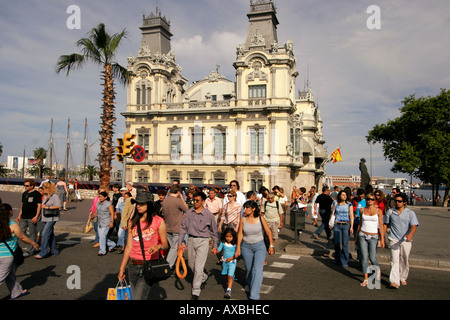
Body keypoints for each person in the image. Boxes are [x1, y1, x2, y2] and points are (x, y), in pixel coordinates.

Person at [118, 190, 168, 300]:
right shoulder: (132, 221)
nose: (138, 206)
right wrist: (122, 268)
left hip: (148, 266)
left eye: (142, 204)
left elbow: (166, 244)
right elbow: (128, 247)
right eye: (137, 203)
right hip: (132, 265)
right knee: (134, 296)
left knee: (137, 298)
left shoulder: (158, 221)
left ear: (149, 205)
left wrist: (159, 247)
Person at [178, 192, 219, 300]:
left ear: (203, 202)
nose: (195, 202)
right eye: (194, 200)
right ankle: (203, 277)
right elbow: (183, 228)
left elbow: (214, 232)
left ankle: (196, 291)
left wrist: (215, 245)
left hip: (203, 241)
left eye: (197, 200)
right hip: (191, 240)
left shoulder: (208, 214)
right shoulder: (189, 213)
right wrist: (180, 243)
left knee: (198, 267)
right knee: (192, 266)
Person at [235, 200, 274, 300]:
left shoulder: (260, 218)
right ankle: (249, 282)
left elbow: (268, 231)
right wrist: (238, 247)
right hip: (246, 247)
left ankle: (254, 296)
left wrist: (271, 245)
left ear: (253, 209)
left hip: (259, 246)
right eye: (245, 207)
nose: (246, 209)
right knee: (249, 269)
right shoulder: (243, 219)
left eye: (248, 207)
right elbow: (240, 234)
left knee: (257, 269)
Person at [1, 204, 39, 299]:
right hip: (7, 256)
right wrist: (34, 244)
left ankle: (16, 292)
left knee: (10, 274)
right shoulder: (12, 225)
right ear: (10, 212)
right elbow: (22, 237)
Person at [384, 193, 419, 289]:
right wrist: (382, 237)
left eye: (399, 201)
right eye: (396, 201)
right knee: (394, 260)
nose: (397, 203)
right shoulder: (391, 212)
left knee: (404, 259)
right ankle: (394, 281)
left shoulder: (410, 213)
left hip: (405, 240)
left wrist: (410, 235)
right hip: (393, 238)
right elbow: (385, 224)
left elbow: (413, 226)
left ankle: (402, 277)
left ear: (404, 203)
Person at [356, 193, 384, 286]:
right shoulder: (362, 210)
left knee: (372, 258)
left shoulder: (378, 211)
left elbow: (380, 225)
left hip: (374, 236)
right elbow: (360, 224)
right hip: (362, 235)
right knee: (364, 258)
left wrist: (382, 239)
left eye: (372, 199)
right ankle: (366, 278)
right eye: (368, 199)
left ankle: (377, 270)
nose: (370, 201)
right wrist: (356, 237)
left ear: (374, 200)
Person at [161, 184, 188, 269]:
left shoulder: (165, 200)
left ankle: (178, 263)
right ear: (179, 192)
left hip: (167, 227)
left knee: (173, 247)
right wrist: (182, 199)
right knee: (174, 248)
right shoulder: (178, 201)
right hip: (177, 227)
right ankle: (168, 266)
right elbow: (187, 209)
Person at [34, 182, 61, 259]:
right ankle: (54, 250)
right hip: (45, 217)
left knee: (45, 233)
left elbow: (58, 206)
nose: (44, 189)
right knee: (50, 233)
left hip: (52, 217)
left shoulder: (55, 196)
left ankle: (43, 251)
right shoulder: (46, 196)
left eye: (46, 188)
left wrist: (47, 207)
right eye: (44, 188)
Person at [17, 179, 42, 257]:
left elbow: (39, 205)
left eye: (27, 186)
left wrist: (36, 216)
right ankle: (32, 243)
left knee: (32, 233)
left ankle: (30, 250)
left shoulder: (36, 194)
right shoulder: (24, 194)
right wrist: (19, 215)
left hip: (32, 216)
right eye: (24, 185)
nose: (25, 187)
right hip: (23, 216)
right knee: (20, 232)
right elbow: (22, 205)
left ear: (32, 186)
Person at [330, 191, 354, 267]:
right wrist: (330, 223)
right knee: (337, 242)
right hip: (337, 224)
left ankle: (344, 260)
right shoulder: (335, 203)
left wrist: (352, 226)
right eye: (342, 195)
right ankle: (337, 258)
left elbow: (351, 215)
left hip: (346, 225)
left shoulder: (349, 204)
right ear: (339, 196)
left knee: (345, 244)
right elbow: (332, 213)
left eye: (345, 195)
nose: (344, 196)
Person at [217, 227, 237, 299]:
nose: (228, 238)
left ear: (233, 237)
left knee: (229, 275)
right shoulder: (223, 243)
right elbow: (218, 250)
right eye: (227, 236)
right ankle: (230, 279)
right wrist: (214, 250)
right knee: (225, 275)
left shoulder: (235, 244)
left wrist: (231, 258)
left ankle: (228, 290)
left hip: (232, 262)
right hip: (225, 262)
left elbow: (237, 254)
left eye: (230, 237)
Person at [95, 192, 116, 256]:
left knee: (102, 236)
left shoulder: (108, 204)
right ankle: (112, 244)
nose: (100, 198)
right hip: (100, 222)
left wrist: (111, 222)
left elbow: (112, 213)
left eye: (101, 197)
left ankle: (102, 251)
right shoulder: (98, 203)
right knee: (101, 236)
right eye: (99, 197)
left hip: (106, 222)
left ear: (105, 197)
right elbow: (97, 211)